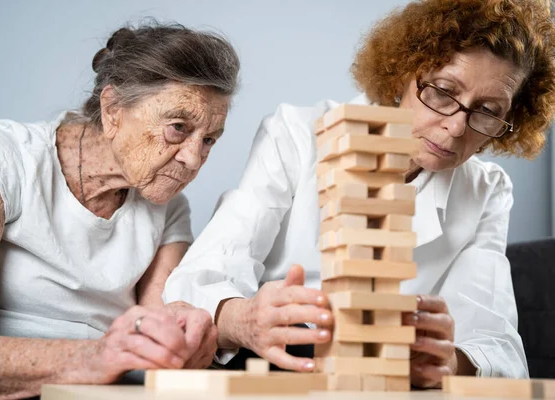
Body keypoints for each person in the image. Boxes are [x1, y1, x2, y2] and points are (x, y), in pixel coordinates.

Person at [164, 0, 555, 388]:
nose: (456, 127)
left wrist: (448, 362)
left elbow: (496, 342)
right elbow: (200, 278)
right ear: (404, 70)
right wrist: (246, 320)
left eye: (487, 110)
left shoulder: (486, 192)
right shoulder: (298, 133)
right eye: (442, 91)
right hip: (272, 367)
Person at [0, 22, 240, 398]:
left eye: (208, 140)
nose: (192, 159)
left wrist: (182, 339)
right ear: (112, 109)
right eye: (177, 127)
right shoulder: (5, 158)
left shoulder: (168, 208)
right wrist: (97, 357)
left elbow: (157, 330)